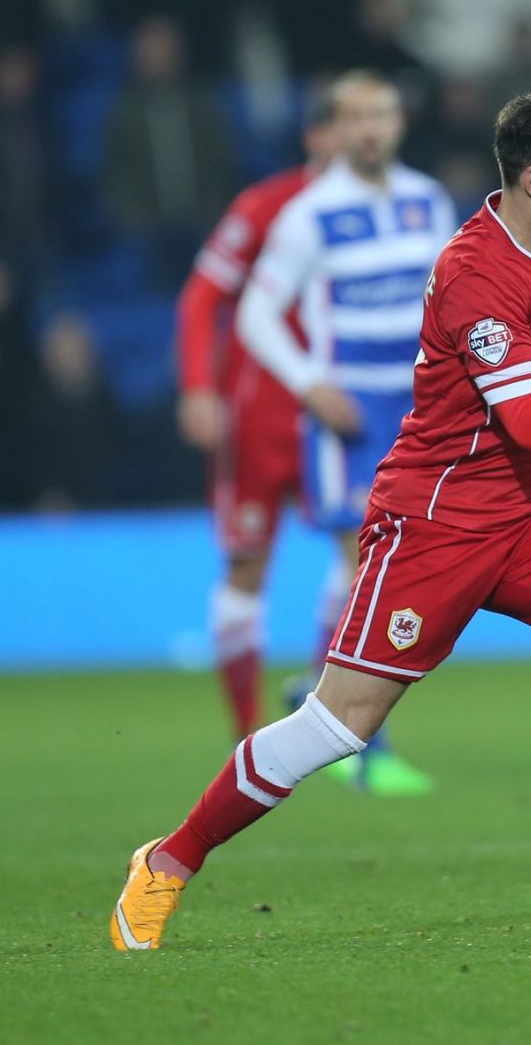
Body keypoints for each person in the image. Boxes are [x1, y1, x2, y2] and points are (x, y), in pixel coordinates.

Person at [111, 85, 531, 951]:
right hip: (435, 525)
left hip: (523, 517)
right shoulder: (476, 273)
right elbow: (526, 421)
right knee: (338, 725)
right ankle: (167, 861)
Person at [234, 70, 457, 796]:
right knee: (370, 565)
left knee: (386, 569)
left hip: (421, 408)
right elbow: (254, 315)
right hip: (350, 416)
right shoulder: (309, 215)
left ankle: (315, 686)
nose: (372, 128)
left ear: (400, 120)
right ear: (334, 127)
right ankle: (366, 746)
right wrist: (308, 382)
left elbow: (451, 297)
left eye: (384, 112)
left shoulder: (428, 200)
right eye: (357, 116)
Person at [174, 94, 338, 745]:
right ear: (315, 131)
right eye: (346, 120)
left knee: (368, 550)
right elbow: (201, 297)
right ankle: (246, 732)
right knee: (247, 564)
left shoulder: (384, 214)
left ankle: (324, 699)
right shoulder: (265, 206)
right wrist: (197, 388)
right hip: (258, 412)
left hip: (341, 412)